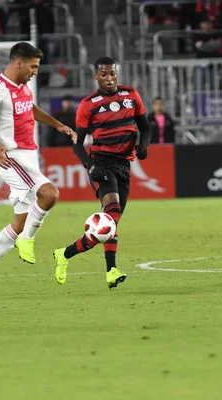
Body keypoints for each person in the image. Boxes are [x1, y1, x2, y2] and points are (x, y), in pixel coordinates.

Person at [0, 42, 77, 301]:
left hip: (28, 158)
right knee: (50, 195)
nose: (36, 72)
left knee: (18, 222)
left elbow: (31, 109)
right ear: (19, 63)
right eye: (33, 66)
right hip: (10, 157)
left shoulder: (23, 87)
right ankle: (27, 240)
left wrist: (58, 124)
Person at [52, 56, 151, 289]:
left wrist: (143, 145)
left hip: (123, 165)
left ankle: (64, 254)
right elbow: (77, 144)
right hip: (101, 164)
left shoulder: (130, 95)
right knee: (111, 213)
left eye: (113, 73)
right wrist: (89, 165)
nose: (109, 78)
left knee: (110, 224)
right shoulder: (88, 104)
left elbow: (145, 127)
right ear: (96, 76)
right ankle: (111, 271)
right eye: (104, 74)